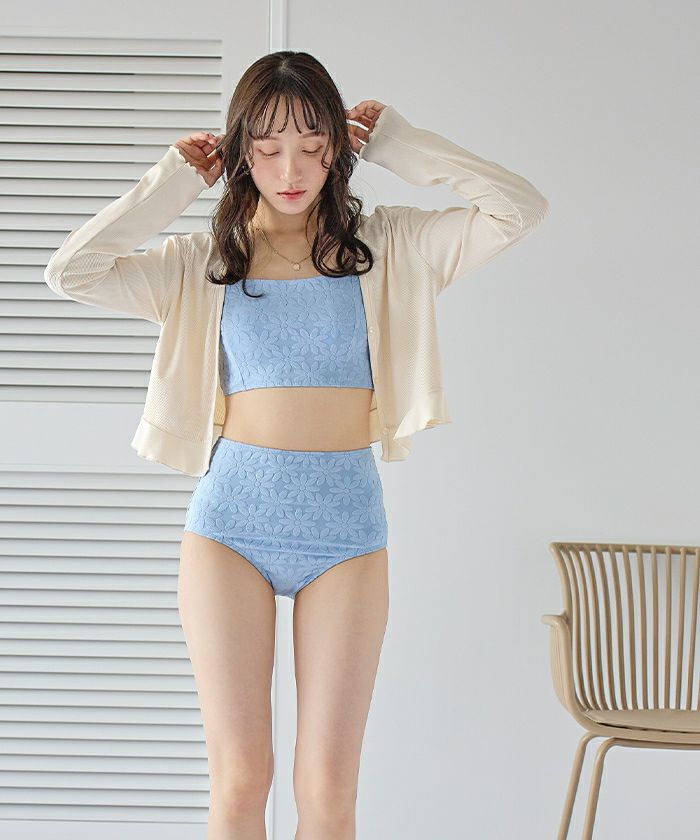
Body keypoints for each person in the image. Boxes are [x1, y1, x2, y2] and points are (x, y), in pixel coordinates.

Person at [44, 49, 548, 840]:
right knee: (242, 780)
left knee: (328, 790)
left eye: (313, 147)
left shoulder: (390, 248)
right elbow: (72, 271)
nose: (291, 170)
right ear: (240, 150)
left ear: (339, 150)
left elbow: (519, 210)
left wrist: (404, 146)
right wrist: (173, 182)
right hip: (230, 529)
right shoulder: (203, 262)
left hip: (345, 532)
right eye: (270, 147)